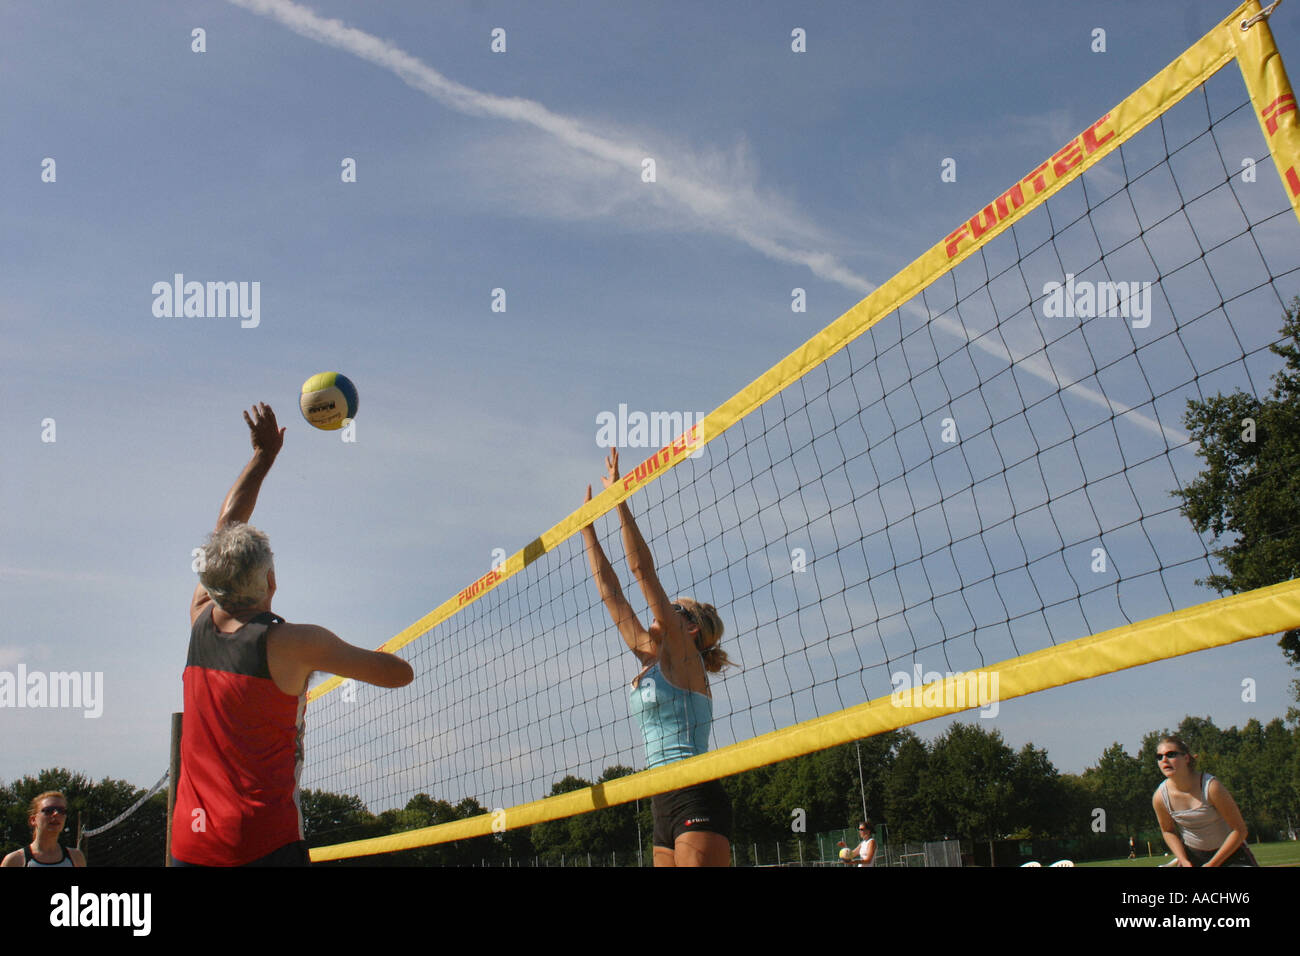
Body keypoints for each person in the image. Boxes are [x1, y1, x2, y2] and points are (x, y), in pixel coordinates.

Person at [171, 403, 414, 867]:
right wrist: (368, 656)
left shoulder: (199, 615)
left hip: (191, 845)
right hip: (262, 843)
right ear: (270, 584)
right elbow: (398, 675)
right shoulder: (297, 644)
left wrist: (261, 459)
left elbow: (225, 529)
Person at [581, 448, 733, 867]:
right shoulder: (653, 659)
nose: (658, 612)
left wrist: (618, 499)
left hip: (695, 792)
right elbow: (612, 597)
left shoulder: (686, 658)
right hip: (659, 799)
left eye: (673, 610)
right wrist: (587, 531)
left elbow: (640, 572)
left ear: (691, 629)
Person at [1151, 734, 1257, 867]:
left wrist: (1212, 864)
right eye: (1159, 757)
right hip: (1194, 856)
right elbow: (1168, 831)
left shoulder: (1211, 787)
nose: (1164, 760)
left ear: (1186, 758)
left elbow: (1240, 830)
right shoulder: (1160, 797)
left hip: (1231, 854)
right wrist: (1183, 860)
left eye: (1171, 754)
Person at [1, 792, 86, 867]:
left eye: (61, 811)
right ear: (33, 820)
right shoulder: (15, 860)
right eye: (48, 810)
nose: (56, 814)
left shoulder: (76, 857)